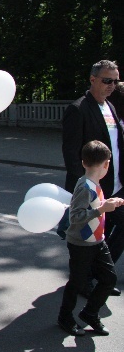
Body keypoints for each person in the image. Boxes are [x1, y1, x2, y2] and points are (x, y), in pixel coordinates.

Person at [62, 60, 124, 297]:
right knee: (88, 238)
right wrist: (87, 189)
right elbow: (71, 154)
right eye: (107, 80)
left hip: (116, 183)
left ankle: (98, 274)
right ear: (93, 79)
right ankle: (83, 282)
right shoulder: (78, 109)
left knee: (105, 233)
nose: (111, 86)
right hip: (92, 188)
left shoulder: (110, 107)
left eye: (115, 81)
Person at [58, 140, 122, 336]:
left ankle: (90, 313)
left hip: (97, 240)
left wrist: (108, 203)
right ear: (107, 164)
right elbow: (75, 217)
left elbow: (93, 206)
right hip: (81, 243)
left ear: (84, 162)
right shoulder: (85, 186)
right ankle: (65, 318)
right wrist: (102, 208)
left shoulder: (92, 183)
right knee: (76, 283)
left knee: (109, 279)